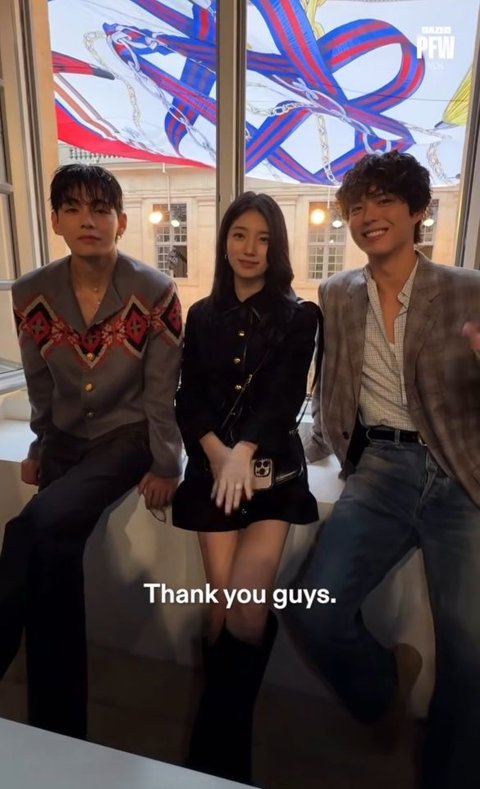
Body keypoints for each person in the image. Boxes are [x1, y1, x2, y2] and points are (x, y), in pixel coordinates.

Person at [291, 150, 480, 789]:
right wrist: (300, 452)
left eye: (384, 201)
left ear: (419, 211)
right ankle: (380, 690)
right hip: (382, 467)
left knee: (471, 653)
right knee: (314, 611)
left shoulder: (468, 288)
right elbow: (331, 383)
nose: (368, 215)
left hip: (461, 472)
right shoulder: (337, 293)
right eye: (357, 205)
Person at [0, 164, 183, 739]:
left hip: (125, 440)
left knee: (30, 526)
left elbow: (161, 391)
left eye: (101, 209)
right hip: (63, 440)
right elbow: (39, 383)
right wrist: (39, 443)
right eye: (74, 208)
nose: (88, 220)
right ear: (55, 220)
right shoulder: (30, 293)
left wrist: (166, 462)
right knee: (52, 567)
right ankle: (58, 731)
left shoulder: (155, 292)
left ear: (121, 222)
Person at [172, 191, 321, 784]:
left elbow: (285, 398)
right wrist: (216, 453)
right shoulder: (201, 314)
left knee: (247, 617)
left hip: (272, 476)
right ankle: (224, 762)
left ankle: (210, 756)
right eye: (239, 235)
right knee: (222, 613)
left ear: (276, 246)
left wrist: (243, 451)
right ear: (225, 241)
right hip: (213, 473)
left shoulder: (300, 315)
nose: (250, 248)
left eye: (263, 238)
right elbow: (188, 397)